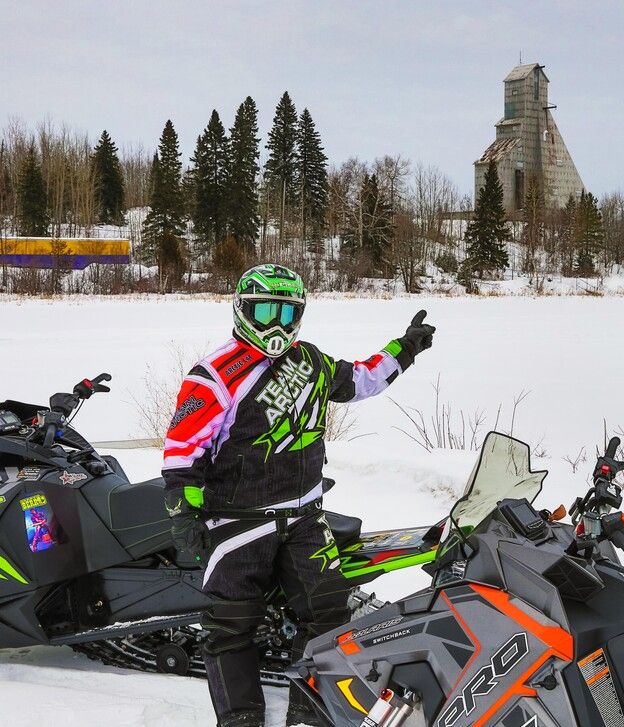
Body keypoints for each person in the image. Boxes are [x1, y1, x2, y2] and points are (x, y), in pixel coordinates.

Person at [161, 263, 435, 727]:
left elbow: (363, 379)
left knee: (327, 614)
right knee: (230, 625)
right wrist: (184, 511)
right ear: (243, 310)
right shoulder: (214, 374)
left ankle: (310, 713)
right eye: (266, 311)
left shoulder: (311, 361)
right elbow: (183, 449)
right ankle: (241, 718)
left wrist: (405, 347)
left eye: (287, 313)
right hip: (238, 519)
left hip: (305, 516)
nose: (277, 324)